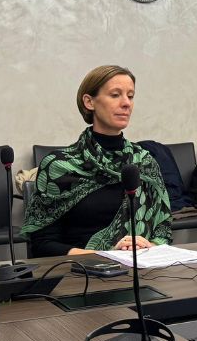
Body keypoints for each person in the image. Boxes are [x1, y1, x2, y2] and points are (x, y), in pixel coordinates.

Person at [22, 65, 172, 255]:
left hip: (141, 266)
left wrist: (149, 246)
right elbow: (42, 244)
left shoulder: (144, 162)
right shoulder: (58, 165)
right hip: (80, 269)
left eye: (130, 96)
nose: (126, 103)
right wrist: (108, 255)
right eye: (115, 95)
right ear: (89, 102)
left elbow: (163, 231)